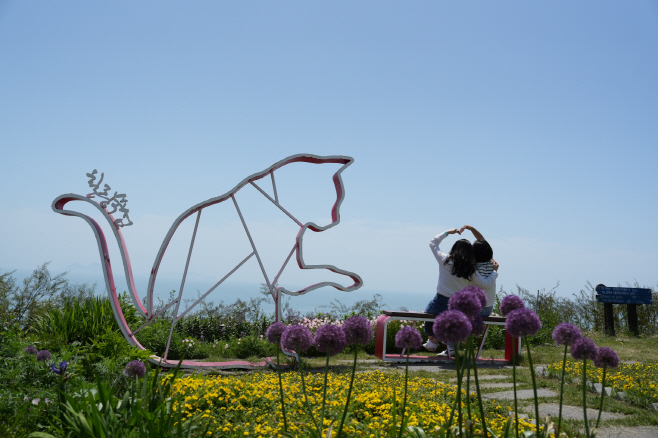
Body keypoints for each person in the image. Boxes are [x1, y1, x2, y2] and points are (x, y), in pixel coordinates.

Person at [423, 228, 499, 352]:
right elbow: (485, 283)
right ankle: (435, 341)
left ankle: (432, 340)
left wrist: (448, 233)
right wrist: (495, 272)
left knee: (428, 314)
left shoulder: (444, 259)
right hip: (458, 305)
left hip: (440, 300)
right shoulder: (471, 268)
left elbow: (433, 243)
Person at [460, 225, 496, 317]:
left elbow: (485, 284)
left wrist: (495, 272)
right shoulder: (491, 262)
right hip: (488, 307)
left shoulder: (472, 267)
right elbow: (482, 241)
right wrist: (471, 229)